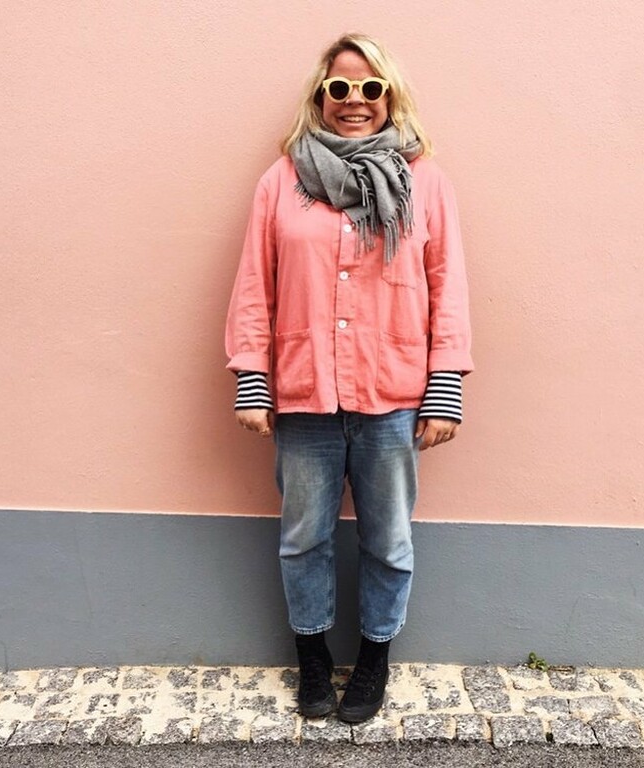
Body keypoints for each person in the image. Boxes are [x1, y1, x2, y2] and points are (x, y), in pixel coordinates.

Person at [225, 33, 473, 723]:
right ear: (321, 97)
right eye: (341, 88)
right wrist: (253, 376)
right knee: (304, 537)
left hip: (392, 395)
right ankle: (310, 661)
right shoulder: (283, 180)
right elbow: (256, 283)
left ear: (390, 95)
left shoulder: (425, 181)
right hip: (305, 394)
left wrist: (445, 384)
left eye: (370, 88)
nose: (356, 101)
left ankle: (372, 661)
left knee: (388, 540)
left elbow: (446, 283)